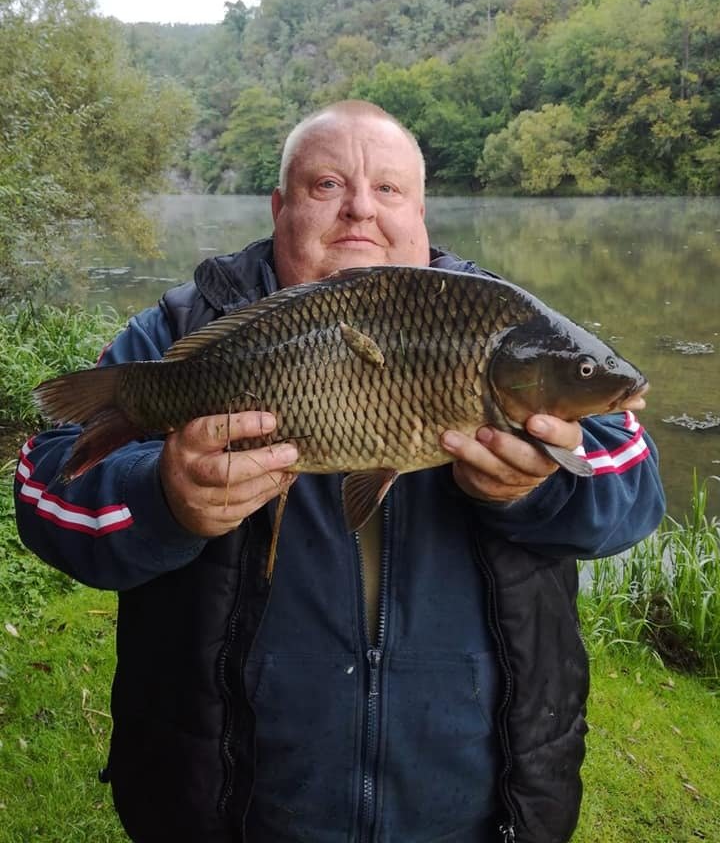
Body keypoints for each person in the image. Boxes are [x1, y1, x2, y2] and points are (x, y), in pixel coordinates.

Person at [15, 100, 665, 843]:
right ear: (280, 206)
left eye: (388, 189)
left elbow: (636, 487)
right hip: (230, 809)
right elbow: (45, 487)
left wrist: (542, 489)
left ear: (421, 210)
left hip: (477, 808)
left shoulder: (500, 321)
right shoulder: (178, 334)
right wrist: (164, 497)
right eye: (327, 184)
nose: (361, 207)